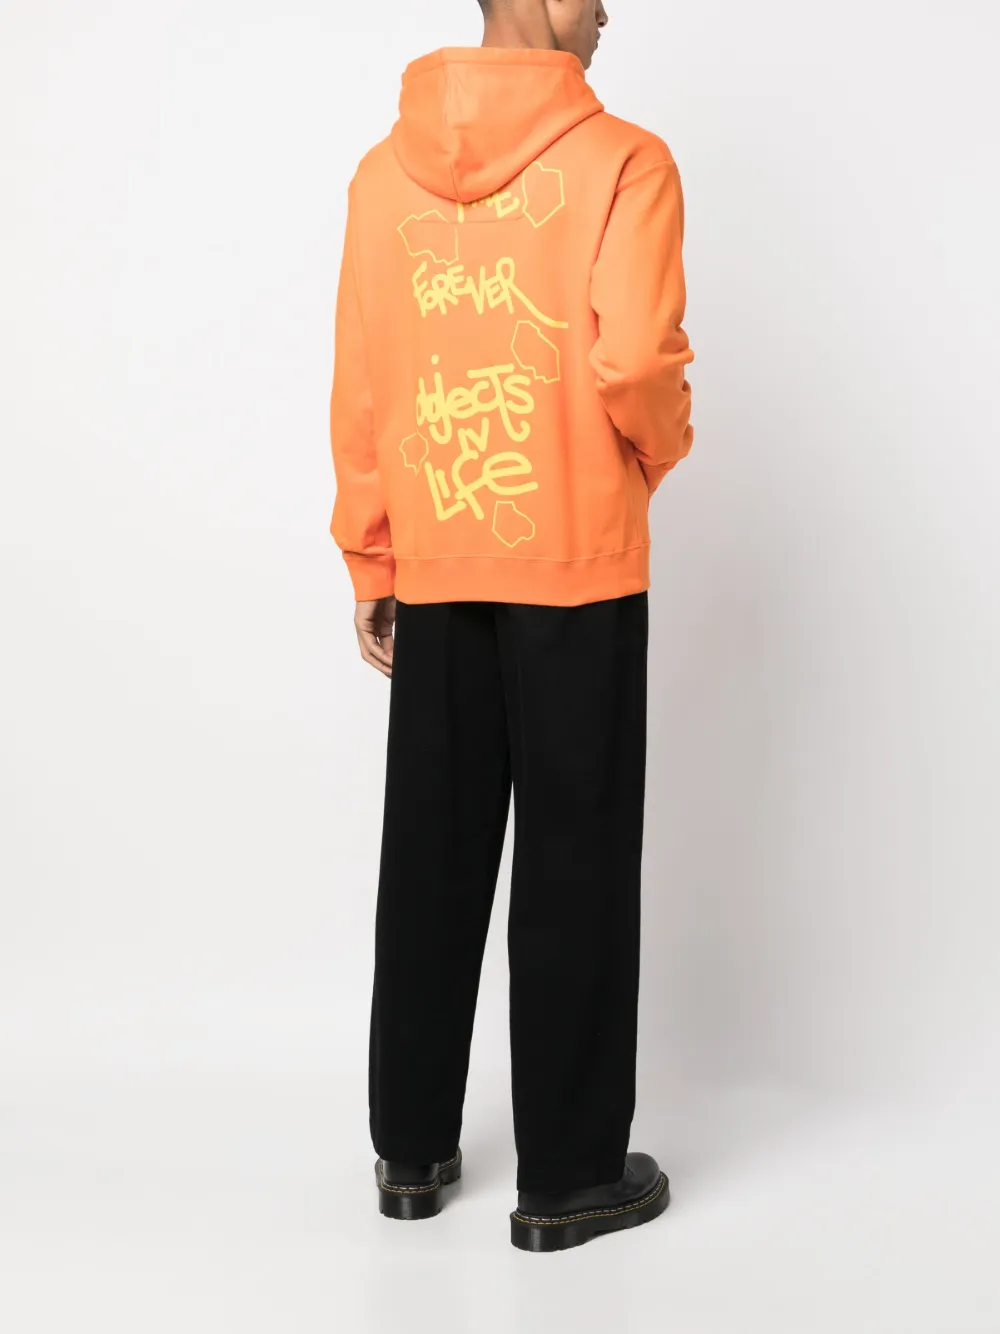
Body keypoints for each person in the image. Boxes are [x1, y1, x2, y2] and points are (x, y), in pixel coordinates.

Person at [328, 0, 693, 1253]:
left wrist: (374, 550)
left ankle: (410, 1148)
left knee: (430, 850)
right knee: (573, 856)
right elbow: (634, 359)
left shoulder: (380, 176)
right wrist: (652, 453)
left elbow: (364, 382)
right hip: (575, 555)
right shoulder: (625, 161)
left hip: (437, 553)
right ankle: (572, 1175)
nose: (606, 10)